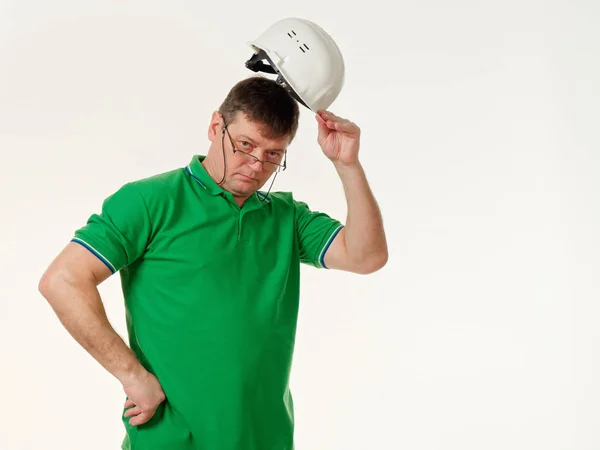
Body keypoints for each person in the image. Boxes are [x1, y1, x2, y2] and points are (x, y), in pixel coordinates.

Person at [38, 76, 388, 450]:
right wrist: (132, 375)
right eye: (245, 145)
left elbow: (367, 257)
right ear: (215, 126)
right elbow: (63, 280)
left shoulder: (287, 217)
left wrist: (347, 164)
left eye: (273, 155)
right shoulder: (150, 201)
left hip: (265, 437)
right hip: (172, 438)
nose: (256, 165)